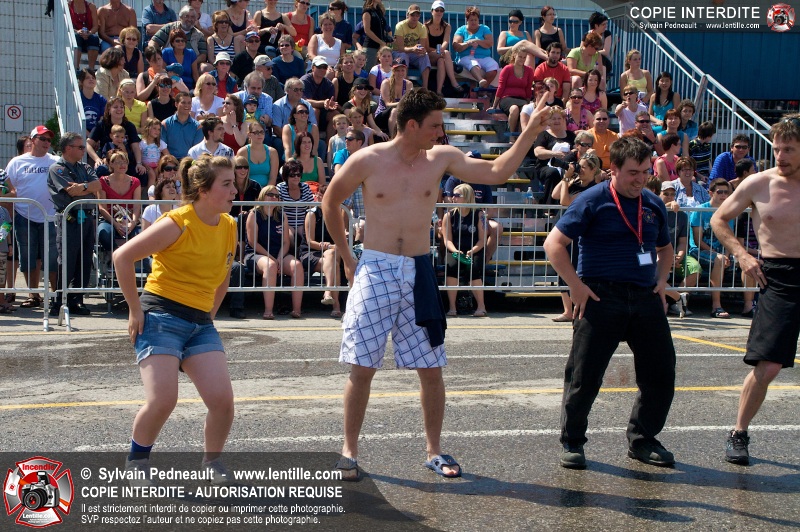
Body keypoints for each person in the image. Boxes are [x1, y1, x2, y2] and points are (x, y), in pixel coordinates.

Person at [321, 88, 550, 480]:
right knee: (362, 367)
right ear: (412, 126)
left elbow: (497, 172)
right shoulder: (368, 159)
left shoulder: (441, 158)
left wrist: (528, 133)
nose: (440, 133)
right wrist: (346, 256)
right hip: (375, 267)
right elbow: (330, 201)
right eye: (434, 126)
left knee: (431, 368)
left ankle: (434, 450)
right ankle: (349, 452)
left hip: (419, 269)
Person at [543, 136, 676, 470]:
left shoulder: (653, 203)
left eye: (645, 172)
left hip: (644, 296)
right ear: (613, 169)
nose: (640, 180)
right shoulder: (592, 200)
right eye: (633, 173)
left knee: (661, 373)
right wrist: (576, 287)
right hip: (601, 296)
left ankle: (643, 440)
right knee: (584, 376)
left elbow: (665, 249)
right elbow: (553, 244)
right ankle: (573, 440)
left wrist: (662, 281)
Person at [113, 154, 237, 484]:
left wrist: (208, 317)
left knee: (223, 402)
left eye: (233, 183)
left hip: (200, 323)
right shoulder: (177, 222)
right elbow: (122, 257)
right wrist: (134, 310)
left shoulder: (229, 225)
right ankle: (137, 461)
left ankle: (212, 463)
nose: (234, 190)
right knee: (163, 400)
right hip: (160, 316)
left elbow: (223, 276)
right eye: (226, 184)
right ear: (204, 190)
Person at [712, 118, 800, 467]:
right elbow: (719, 219)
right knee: (768, 365)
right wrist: (742, 254)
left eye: (789, 149)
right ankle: (739, 432)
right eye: (777, 149)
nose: (780, 156)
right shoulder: (758, 183)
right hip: (778, 276)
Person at [4, 126, 60, 310]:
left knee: (53, 258)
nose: (46, 143)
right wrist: (9, 218)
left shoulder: (55, 161)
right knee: (28, 257)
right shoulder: (17, 162)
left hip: (50, 217)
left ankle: (55, 295)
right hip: (24, 216)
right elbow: (9, 189)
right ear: (33, 139)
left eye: (49, 140)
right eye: (42, 139)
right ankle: (33, 295)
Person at [549, 152, 602, 322]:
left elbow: (565, 201)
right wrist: (567, 177)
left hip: (577, 233)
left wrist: (566, 179)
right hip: (564, 230)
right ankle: (567, 311)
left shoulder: (591, 190)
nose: (580, 170)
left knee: (573, 268)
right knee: (562, 268)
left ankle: (577, 308)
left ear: (594, 170)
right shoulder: (574, 182)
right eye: (580, 166)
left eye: (584, 167)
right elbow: (555, 194)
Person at [245, 185, 304, 319]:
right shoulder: (254, 214)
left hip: (278, 254)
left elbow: (286, 242)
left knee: (297, 266)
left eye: (276, 196)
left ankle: (297, 310)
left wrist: (279, 257)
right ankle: (268, 310)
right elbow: (253, 243)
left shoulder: (281, 215)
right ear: (262, 196)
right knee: (270, 266)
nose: (274, 198)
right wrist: (272, 258)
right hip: (256, 254)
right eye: (270, 195)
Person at [689, 178, 736, 318]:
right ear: (711, 193)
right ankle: (716, 306)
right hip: (699, 251)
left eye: (726, 192)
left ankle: (749, 305)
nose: (723, 195)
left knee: (748, 261)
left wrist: (727, 255)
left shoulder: (728, 212)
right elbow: (698, 241)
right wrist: (718, 255)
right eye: (720, 192)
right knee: (719, 259)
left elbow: (729, 238)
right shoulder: (700, 210)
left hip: (721, 252)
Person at [442, 183, 488, 317]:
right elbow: (447, 240)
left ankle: (481, 306)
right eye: (453, 195)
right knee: (451, 267)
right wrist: (455, 251)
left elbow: (482, 240)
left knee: (473, 268)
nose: (453, 198)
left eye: (457, 195)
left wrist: (472, 250)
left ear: (467, 197)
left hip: (475, 249)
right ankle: (452, 307)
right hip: (455, 250)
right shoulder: (449, 215)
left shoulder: (479, 214)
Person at [300, 184, 342, 318]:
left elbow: (341, 237)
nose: (319, 198)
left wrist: (332, 247)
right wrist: (328, 247)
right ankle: (336, 305)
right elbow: (310, 242)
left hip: (331, 253)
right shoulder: (312, 214)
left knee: (332, 258)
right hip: (311, 252)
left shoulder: (336, 213)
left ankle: (328, 293)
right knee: (334, 262)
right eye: (320, 195)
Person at [96, 150, 142, 253]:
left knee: (142, 235)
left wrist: (133, 223)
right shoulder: (103, 181)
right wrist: (116, 225)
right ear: (111, 164)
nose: (122, 165)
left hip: (130, 219)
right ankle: (116, 256)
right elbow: (102, 207)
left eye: (125, 162)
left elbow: (137, 206)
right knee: (104, 233)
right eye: (118, 162)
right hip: (109, 220)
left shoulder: (135, 182)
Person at [533, 106, 575, 204]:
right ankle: (549, 207)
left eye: (559, 118)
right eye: (553, 119)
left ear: (563, 120)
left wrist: (570, 152)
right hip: (546, 167)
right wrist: (555, 154)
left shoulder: (571, 135)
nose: (557, 121)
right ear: (549, 121)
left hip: (567, 166)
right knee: (553, 172)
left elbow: (577, 148)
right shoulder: (543, 135)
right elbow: (538, 152)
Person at [452, 6, 499, 89]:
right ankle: (480, 80)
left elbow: (490, 43)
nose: (473, 22)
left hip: (484, 57)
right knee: (473, 64)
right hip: (465, 57)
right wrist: (468, 43)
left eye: (475, 20)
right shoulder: (461, 30)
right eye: (471, 20)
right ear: (467, 20)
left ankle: (483, 89)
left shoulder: (485, 28)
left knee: (494, 65)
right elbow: (456, 46)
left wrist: (477, 41)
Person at [424, 1, 463, 97]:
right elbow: (426, 47)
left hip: (441, 55)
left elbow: (446, 41)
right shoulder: (425, 26)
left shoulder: (447, 26)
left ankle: (439, 91)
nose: (439, 12)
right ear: (432, 11)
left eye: (441, 10)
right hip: (429, 55)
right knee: (446, 53)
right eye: (436, 10)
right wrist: (439, 51)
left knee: (441, 60)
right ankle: (454, 82)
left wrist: (441, 50)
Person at [491, 47, 533, 134]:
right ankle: (511, 136)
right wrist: (494, 106)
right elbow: (501, 87)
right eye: (520, 56)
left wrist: (528, 103)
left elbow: (528, 89)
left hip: (521, 99)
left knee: (526, 110)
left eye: (524, 57)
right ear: (514, 55)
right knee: (514, 109)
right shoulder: (507, 69)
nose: (522, 59)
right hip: (507, 98)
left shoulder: (529, 71)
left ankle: (522, 136)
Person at [394, 5, 431, 90]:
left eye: (417, 15)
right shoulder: (400, 26)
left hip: (413, 53)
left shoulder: (422, 28)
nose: (415, 17)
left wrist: (421, 50)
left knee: (425, 56)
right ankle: (405, 86)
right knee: (403, 56)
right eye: (412, 15)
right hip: (399, 52)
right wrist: (412, 49)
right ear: (407, 15)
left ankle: (425, 88)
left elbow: (422, 46)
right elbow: (400, 48)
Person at [277, 159, 314, 238]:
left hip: (303, 223)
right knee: (289, 237)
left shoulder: (306, 187)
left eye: (298, 174)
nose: (296, 177)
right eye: (292, 175)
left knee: (306, 237)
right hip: (285, 223)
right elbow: (277, 209)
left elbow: (312, 207)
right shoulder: (280, 187)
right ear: (286, 176)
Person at [301, 56, 338, 136]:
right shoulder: (305, 81)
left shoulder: (329, 84)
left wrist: (330, 104)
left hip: (323, 111)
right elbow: (305, 101)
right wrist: (323, 103)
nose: (322, 69)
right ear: (313, 68)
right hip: (305, 111)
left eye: (324, 67)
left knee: (336, 114)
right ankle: (314, 138)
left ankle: (329, 142)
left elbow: (330, 102)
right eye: (319, 67)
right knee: (315, 111)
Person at [161, 92, 203, 159]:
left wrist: (186, 162)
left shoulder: (198, 127)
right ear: (176, 104)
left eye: (189, 103)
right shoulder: (165, 124)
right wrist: (172, 161)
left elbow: (196, 150)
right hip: (169, 161)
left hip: (189, 161)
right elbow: (162, 147)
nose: (187, 105)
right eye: (183, 103)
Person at [237, 122, 279, 187]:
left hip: (267, 190)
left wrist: (265, 191)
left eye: (262, 132)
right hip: (248, 189)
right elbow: (240, 177)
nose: (260, 135)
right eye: (256, 132)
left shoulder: (272, 152)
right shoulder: (243, 152)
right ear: (249, 135)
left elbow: (273, 178)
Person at [309, 13, 344, 81]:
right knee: (328, 74)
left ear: (334, 26)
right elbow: (311, 55)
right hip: (319, 67)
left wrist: (337, 69)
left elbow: (342, 59)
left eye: (330, 24)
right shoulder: (316, 38)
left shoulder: (339, 42)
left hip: (335, 69)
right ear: (321, 26)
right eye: (325, 24)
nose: (328, 27)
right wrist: (325, 66)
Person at [70, 0, 101, 70]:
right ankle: (76, 68)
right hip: (76, 34)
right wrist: (77, 31)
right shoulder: (69, 6)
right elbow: (67, 25)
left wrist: (89, 33)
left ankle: (91, 69)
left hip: (88, 34)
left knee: (94, 38)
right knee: (76, 38)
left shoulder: (91, 7)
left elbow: (95, 26)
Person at [140, 117, 170, 189]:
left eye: (159, 129)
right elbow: (139, 157)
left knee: (159, 175)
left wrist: (162, 164)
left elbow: (168, 156)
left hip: (157, 165)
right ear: (147, 128)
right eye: (154, 128)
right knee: (152, 175)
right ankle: (150, 193)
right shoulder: (142, 143)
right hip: (146, 165)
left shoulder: (160, 143)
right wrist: (144, 165)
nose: (157, 131)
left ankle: (158, 192)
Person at [361, 0, 390, 70]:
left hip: (380, 47)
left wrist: (388, 38)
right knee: (369, 70)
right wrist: (381, 42)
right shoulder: (367, 11)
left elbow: (381, 28)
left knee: (381, 71)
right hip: (371, 47)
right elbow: (367, 30)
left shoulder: (379, 11)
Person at [78, 68, 107, 136]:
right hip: (80, 133)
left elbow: (102, 120)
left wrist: (94, 136)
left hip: (96, 133)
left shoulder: (101, 99)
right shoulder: (77, 98)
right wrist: (89, 136)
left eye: (93, 78)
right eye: (87, 78)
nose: (91, 79)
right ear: (81, 81)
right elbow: (77, 121)